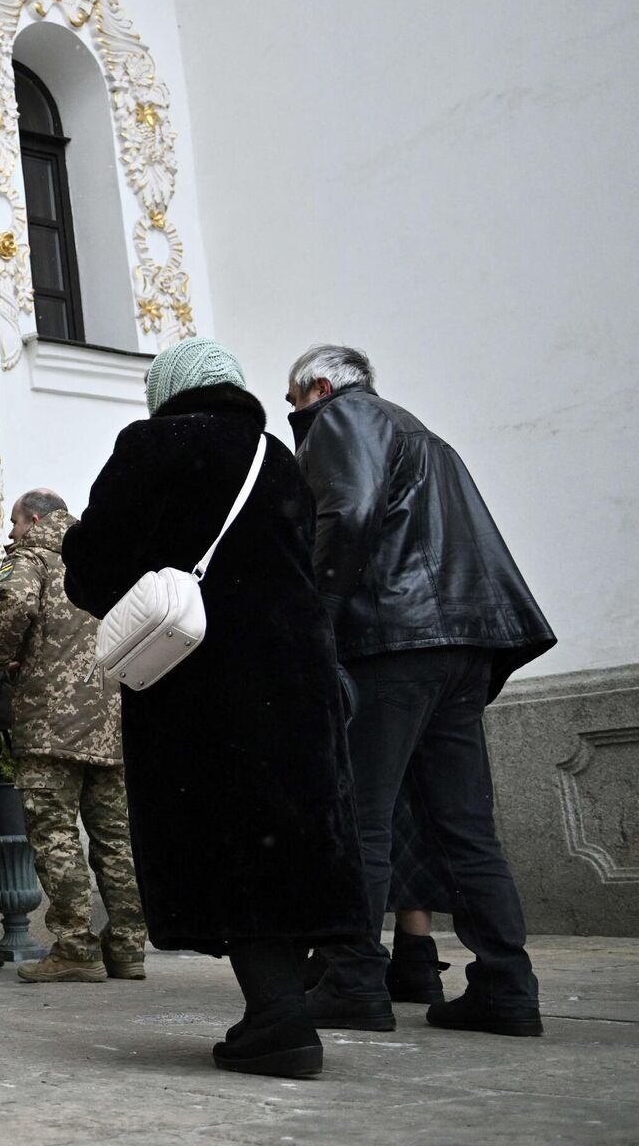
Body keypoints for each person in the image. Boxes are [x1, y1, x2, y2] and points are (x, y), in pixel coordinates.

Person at [62, 339, 364, 1079]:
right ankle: (281, 1004)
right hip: (295, 670)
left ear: (166, 390)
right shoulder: (276, 455)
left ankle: (280, 1017)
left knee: (227, 833)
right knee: (284, 832)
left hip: (201, 678)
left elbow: (93, 567)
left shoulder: (151, 445)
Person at [287, 344, 556, 1038]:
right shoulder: (424, 436)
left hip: (393, 641)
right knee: (465, 827)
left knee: (362, 820)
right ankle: (506, 984)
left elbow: (345, 514)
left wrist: (316, 616)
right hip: (463, 641)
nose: (298, 420)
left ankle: (353, 980)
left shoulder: (346, 419)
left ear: (319, 386)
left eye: (295, 406)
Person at [0, 488, 148, 984]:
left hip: (49, 722)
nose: (11, 535)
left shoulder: (31, 557)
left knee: (55, 836)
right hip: (111, 722)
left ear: (33, 519)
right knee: (116, 840)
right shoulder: (109, 557)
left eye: (14, 524)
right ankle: (128, 947)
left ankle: (76, 948)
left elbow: (9, 613)